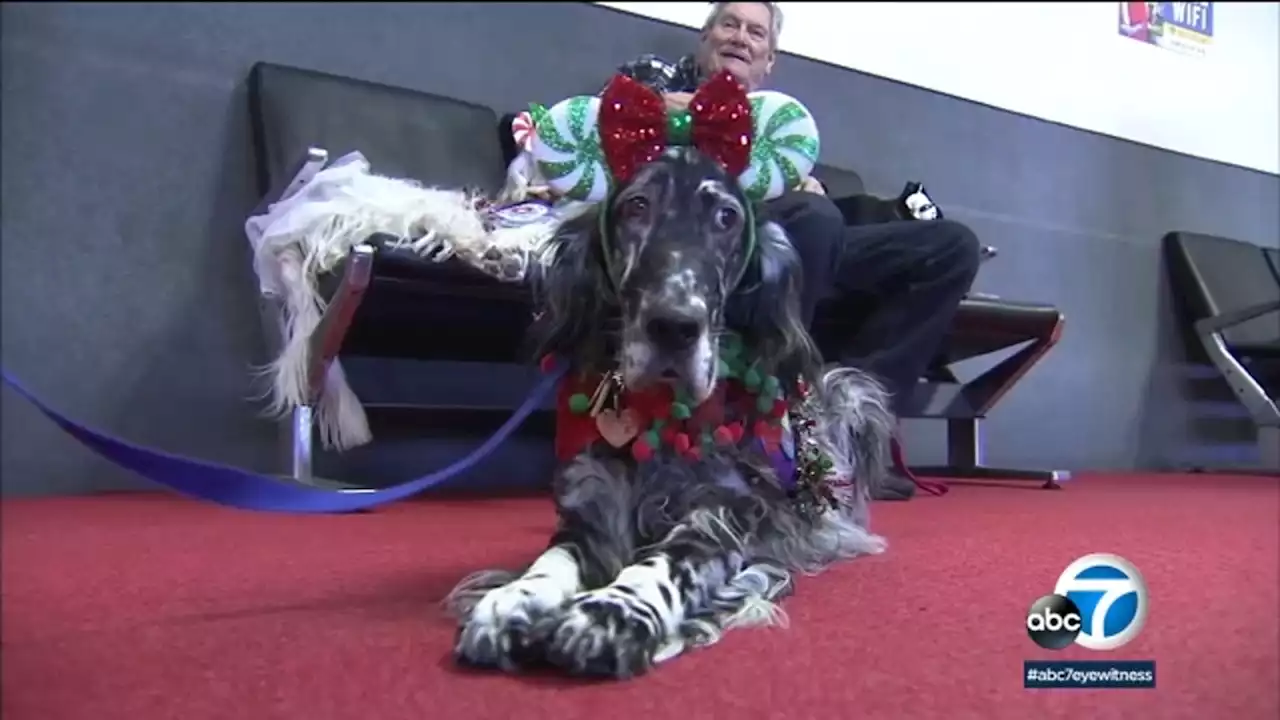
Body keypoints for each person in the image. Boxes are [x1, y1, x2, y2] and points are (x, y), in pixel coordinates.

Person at [609, 2, 982, 499]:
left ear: (768, 62)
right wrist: (674, 117)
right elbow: (613, 143)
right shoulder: (654, 81)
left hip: (803, 240)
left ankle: (848, 432)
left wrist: (804, 184)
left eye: (755, 33)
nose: (741, 37)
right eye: (729, 24)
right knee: (814, 219)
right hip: (706, 243)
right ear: (704, 39)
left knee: (950, 246)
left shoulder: (781, 122)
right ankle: (779, 425)